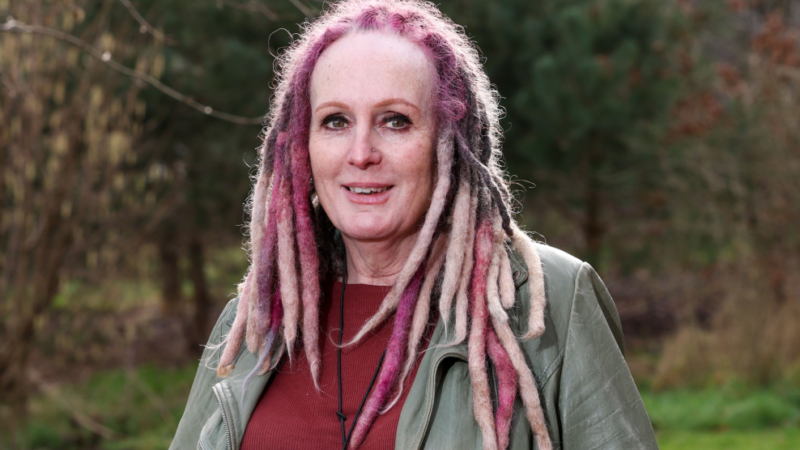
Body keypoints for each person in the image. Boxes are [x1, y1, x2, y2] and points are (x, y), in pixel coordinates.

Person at [169, 0, 659, 449]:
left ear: (452, 142)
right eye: (336, 122)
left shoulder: (548, 299)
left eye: (395, 121)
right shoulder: (257, 318)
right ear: (301, 147)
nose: (361, 154)